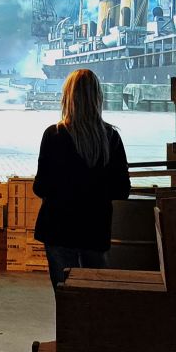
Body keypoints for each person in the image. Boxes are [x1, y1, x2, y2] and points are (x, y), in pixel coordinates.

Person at [32, 68, 130, 290]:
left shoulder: (53, 135)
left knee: (66, 296)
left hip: (58, 228)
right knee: (95, 297)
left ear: (68, 97)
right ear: (98, 97)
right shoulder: (111, 137)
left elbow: (41, 187)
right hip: (95, 228)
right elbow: (122, 189)